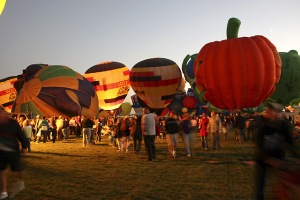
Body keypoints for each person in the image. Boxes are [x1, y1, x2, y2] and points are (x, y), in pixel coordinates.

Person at [254, 102, 298, 200]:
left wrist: (295, 157)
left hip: (278, 157)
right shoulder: (261, 126)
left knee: (283, 183)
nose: (268, 113)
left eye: (271, 111)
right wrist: (268, 159)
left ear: (276, 112)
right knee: (260, 185)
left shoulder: (283, 126)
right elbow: (260, 146)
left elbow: (290, 142)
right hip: (263, 160)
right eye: (267, 111)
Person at [0, 107, 28, 199]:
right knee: (1, 171)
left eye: (2, 113)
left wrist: (24, 146)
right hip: (1, 153)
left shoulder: (13, 123)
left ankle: (21, 182)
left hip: (13, 151)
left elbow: (21, 134)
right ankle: (3, 192)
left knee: (18, 169)